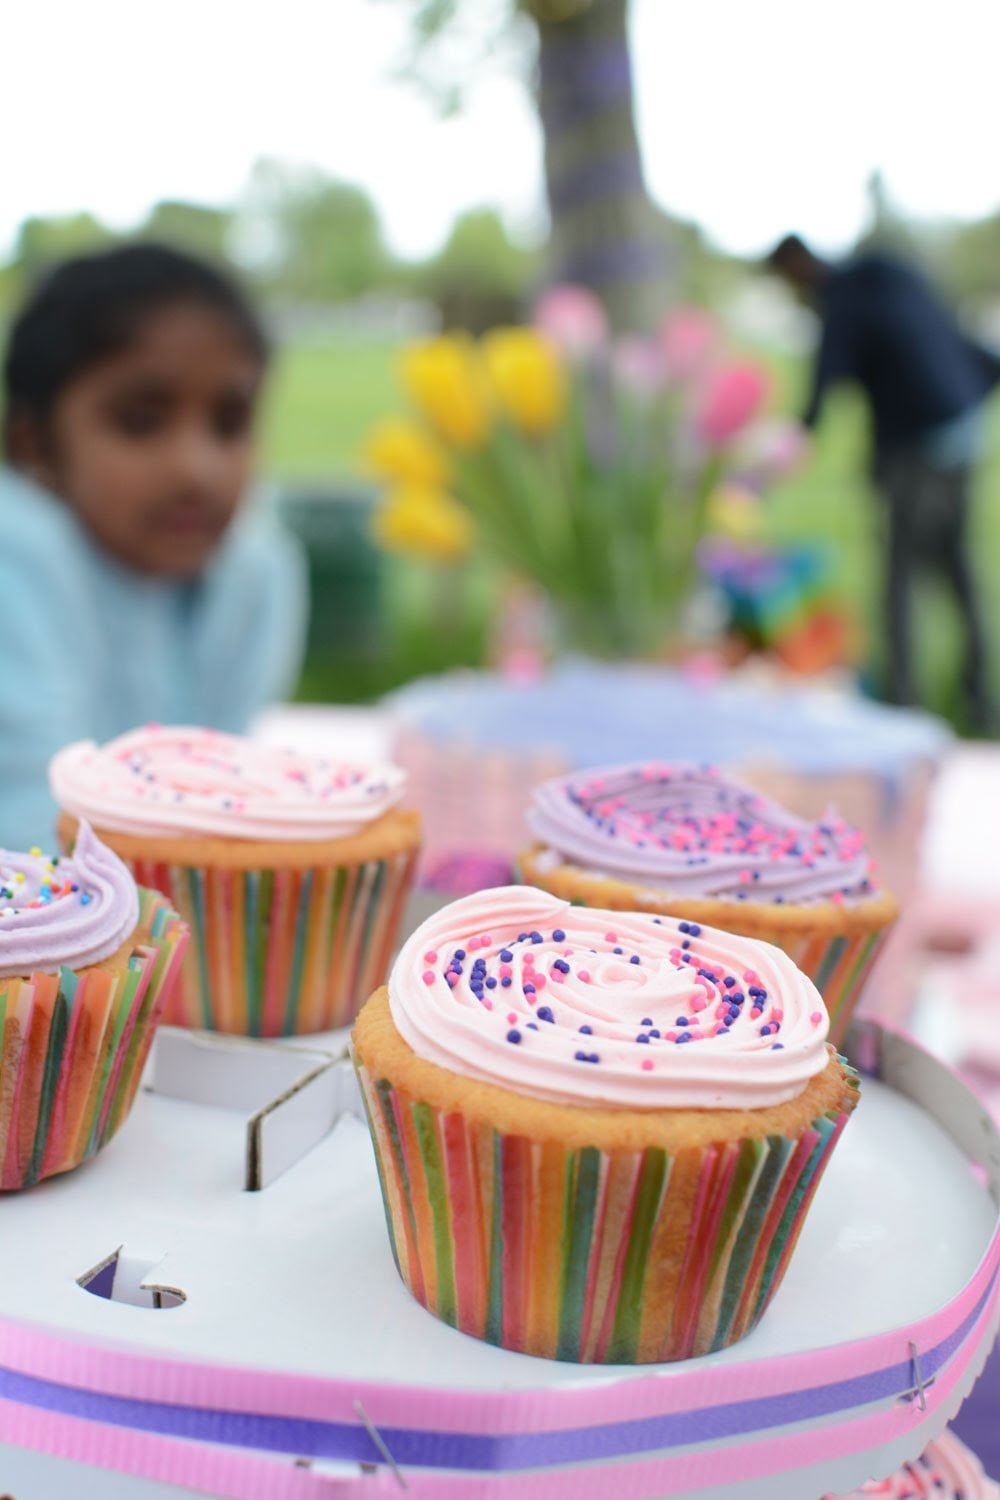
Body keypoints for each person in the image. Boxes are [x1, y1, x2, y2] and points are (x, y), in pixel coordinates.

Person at [0, 243, 307, 848]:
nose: (196, 468)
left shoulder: (254, 574)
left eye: (229, 422)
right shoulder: (16, 554)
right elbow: (30, 825)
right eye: (140, 421)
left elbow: (227, 788)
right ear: (35, 446)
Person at [767, 233, 999, 731]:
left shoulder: (843, 300)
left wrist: (786, 447)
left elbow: (823, 383)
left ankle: (902, 708)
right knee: (957, 568)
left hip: (917, 443)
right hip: (963, 424)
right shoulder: (889, 273)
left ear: (796, 266)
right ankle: (980, 703)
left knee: (899, 576)